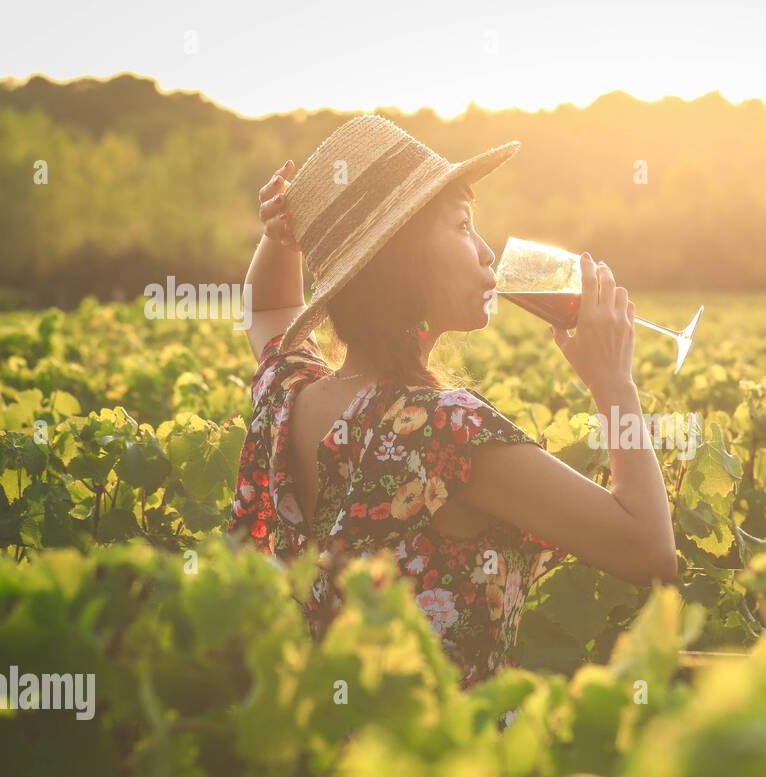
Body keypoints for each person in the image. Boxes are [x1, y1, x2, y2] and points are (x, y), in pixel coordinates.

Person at [227, 115, 677, 694]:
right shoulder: (446, 431)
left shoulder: (287, 396)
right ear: (401, 258)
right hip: (452, 762)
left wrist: (280, 238)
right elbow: (647, 551)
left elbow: (267, 314)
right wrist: (615, 385)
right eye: (463, 225)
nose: (488, 252)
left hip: (332, 754)